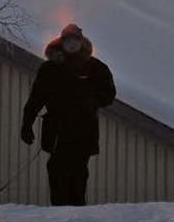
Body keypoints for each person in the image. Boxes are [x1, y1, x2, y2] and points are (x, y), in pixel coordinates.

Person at [20, 23, 115, 206]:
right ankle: (58, 214)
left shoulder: (95, 68)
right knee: (56, 171)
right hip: (56, 131)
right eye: (68, 40)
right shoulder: (49, 68)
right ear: (61, 42)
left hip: (83, 130)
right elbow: (36, 99)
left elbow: (109, 94)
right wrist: (27, 124)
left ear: (81, 42)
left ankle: (77, 216)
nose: (72, 44)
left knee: (78, 173)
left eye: (75, 40)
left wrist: (91, 101)